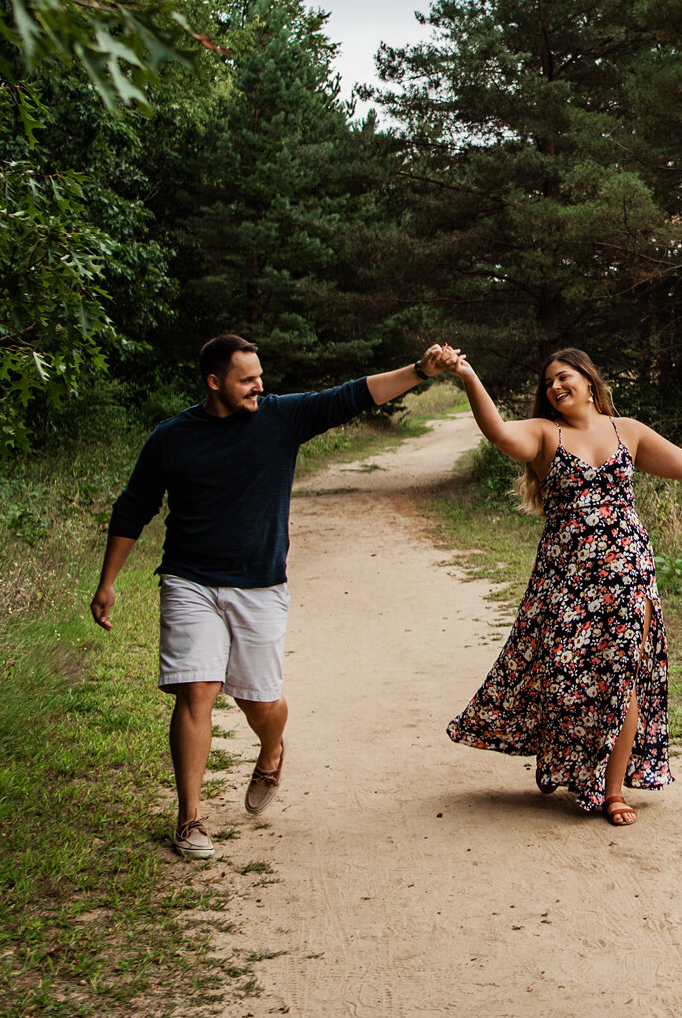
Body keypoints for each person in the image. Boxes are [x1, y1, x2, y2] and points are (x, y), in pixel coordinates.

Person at [92, 333, 461, 858]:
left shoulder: (280, 417)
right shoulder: (171, 437)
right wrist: (108, 581)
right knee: (196, 691)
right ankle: (190, 819)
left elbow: (353, 395)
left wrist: (420, 372)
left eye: (260, 376)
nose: (259, 386)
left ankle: (271, 748)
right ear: (214, 382)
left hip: (258, 584)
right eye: (247, 379)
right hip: (188, 579)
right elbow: (133, 509)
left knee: (258, 700)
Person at [445, 348, 682, 825]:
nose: (554, 387)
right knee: (564, 675)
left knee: (620, 678)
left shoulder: (626, 430)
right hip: (565, 576)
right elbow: (500, 433)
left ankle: (612, 792)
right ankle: (569, 764)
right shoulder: (546, 433)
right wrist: (467, 374)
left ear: (589, 380)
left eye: (563, 377)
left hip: (628, 574)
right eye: (547, 383)